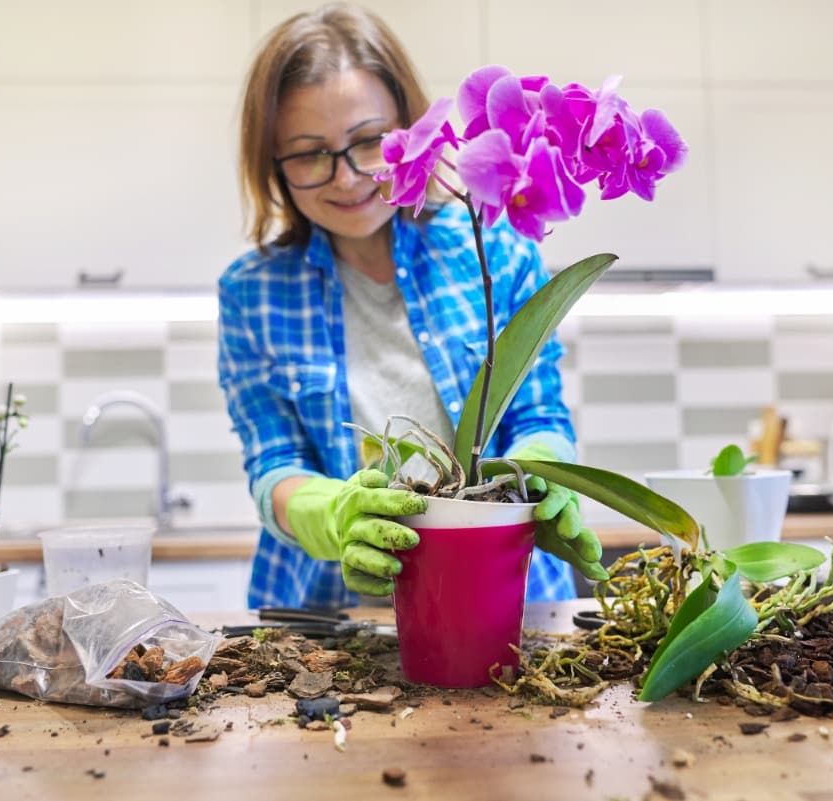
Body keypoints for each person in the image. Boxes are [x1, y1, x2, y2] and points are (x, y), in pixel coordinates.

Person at [218, 3, 608, 609]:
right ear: (270, 161)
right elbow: (275, 465)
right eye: (308, 153)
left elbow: (538, 416)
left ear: (414, 126)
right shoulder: (254, 291)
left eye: (369, 141)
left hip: (509, 603)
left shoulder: (497, 248)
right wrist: (333, 515)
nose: (346, 178)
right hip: (329, 627)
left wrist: (541, 478)